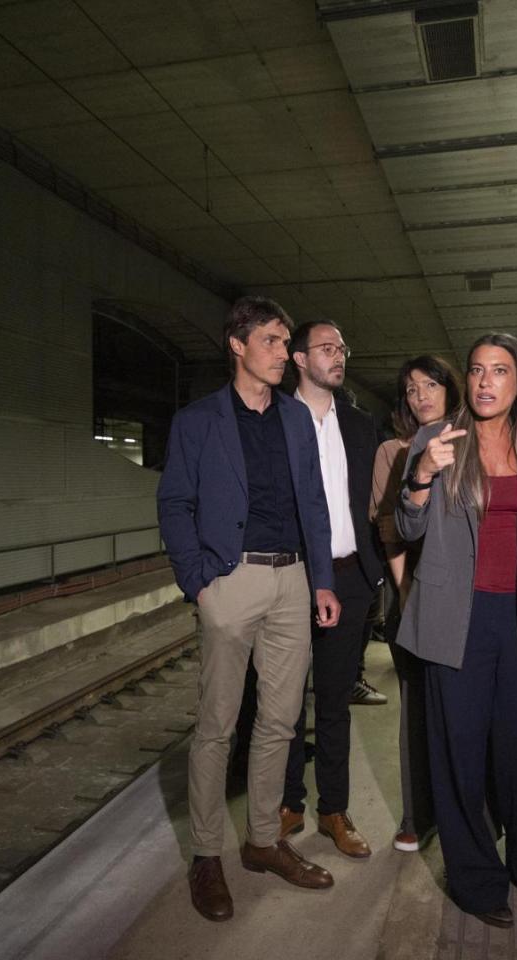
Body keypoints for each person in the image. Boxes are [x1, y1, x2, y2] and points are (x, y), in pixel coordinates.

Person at [393, 333, 517, 928]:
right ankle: (476, 878)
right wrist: (422, 476)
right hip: (454, 619)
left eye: (499, 371)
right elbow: (407, 526)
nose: (485, 382)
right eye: (477, 371)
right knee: (458, 752)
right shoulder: (437, 439)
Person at [156, 295, 343, 922]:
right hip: (229, 581)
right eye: (269, 339)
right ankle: (207, 854)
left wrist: (321, 581)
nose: (281, 352)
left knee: (282, 721)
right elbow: (174, 504)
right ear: (236, 345)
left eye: (285, 340)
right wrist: (199, 584)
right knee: (217, 724)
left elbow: (314, 503)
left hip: (292, 581)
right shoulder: (197, 421)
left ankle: (264, 840)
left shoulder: (295, 419)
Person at [279, 321, 385, 859]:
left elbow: (373, 501)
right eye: (325, 348)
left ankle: (334, 810)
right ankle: (289, 802)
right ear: (299, 359)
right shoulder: (276, 419)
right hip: (291, 576)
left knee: (336, 701)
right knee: (285, 700)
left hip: (350, 576)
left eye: (342, 347)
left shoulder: (360, 424)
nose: (338, 355)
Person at [370, 354, 463, 853]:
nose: (421, 395)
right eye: (410, 388)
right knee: (417, 710)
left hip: (465, 594)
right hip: (411, 590)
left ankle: (469, 811)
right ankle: (416, 813)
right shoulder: (394, 451)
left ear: (451, 388)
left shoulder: (473, 440)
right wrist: (408, 593)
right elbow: (391, 531)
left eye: (430, 384)